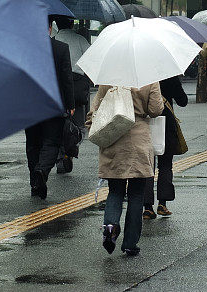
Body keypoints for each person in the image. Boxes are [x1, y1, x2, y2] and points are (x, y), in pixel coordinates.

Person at [90, 83, 163, 256]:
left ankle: (110, 225)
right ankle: (130, 243)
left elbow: (95, 109)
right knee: (137, 194)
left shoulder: (108, 78)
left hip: (113, 138)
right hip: (139, 140)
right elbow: (155, 110)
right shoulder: (149, 78)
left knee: (115, 191)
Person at [26, 17, 74, 199]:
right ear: (50, 29)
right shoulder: (61, 48)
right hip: (54, 104)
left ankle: (34, 183)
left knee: (32, 145)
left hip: (30, 106)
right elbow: (67, 79)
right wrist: (70, 105)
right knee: (51, 142)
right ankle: (42, 171)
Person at [144, 76, 188, 218]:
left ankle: (147, 207)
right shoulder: (169, 76)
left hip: (143, 125)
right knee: (165, 165)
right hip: (166, 124)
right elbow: (183, 101)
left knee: (147, 167)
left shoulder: (141, 77)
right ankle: (162, 203)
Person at [53, 15, 92, 174]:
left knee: (59, 124)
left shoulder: (53, 40)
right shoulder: (80, 39)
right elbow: (91, 58)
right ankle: (70, 150)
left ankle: (61, 153)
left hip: (58, 86)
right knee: (78, 126)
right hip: (77, 86)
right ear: (71, 23)